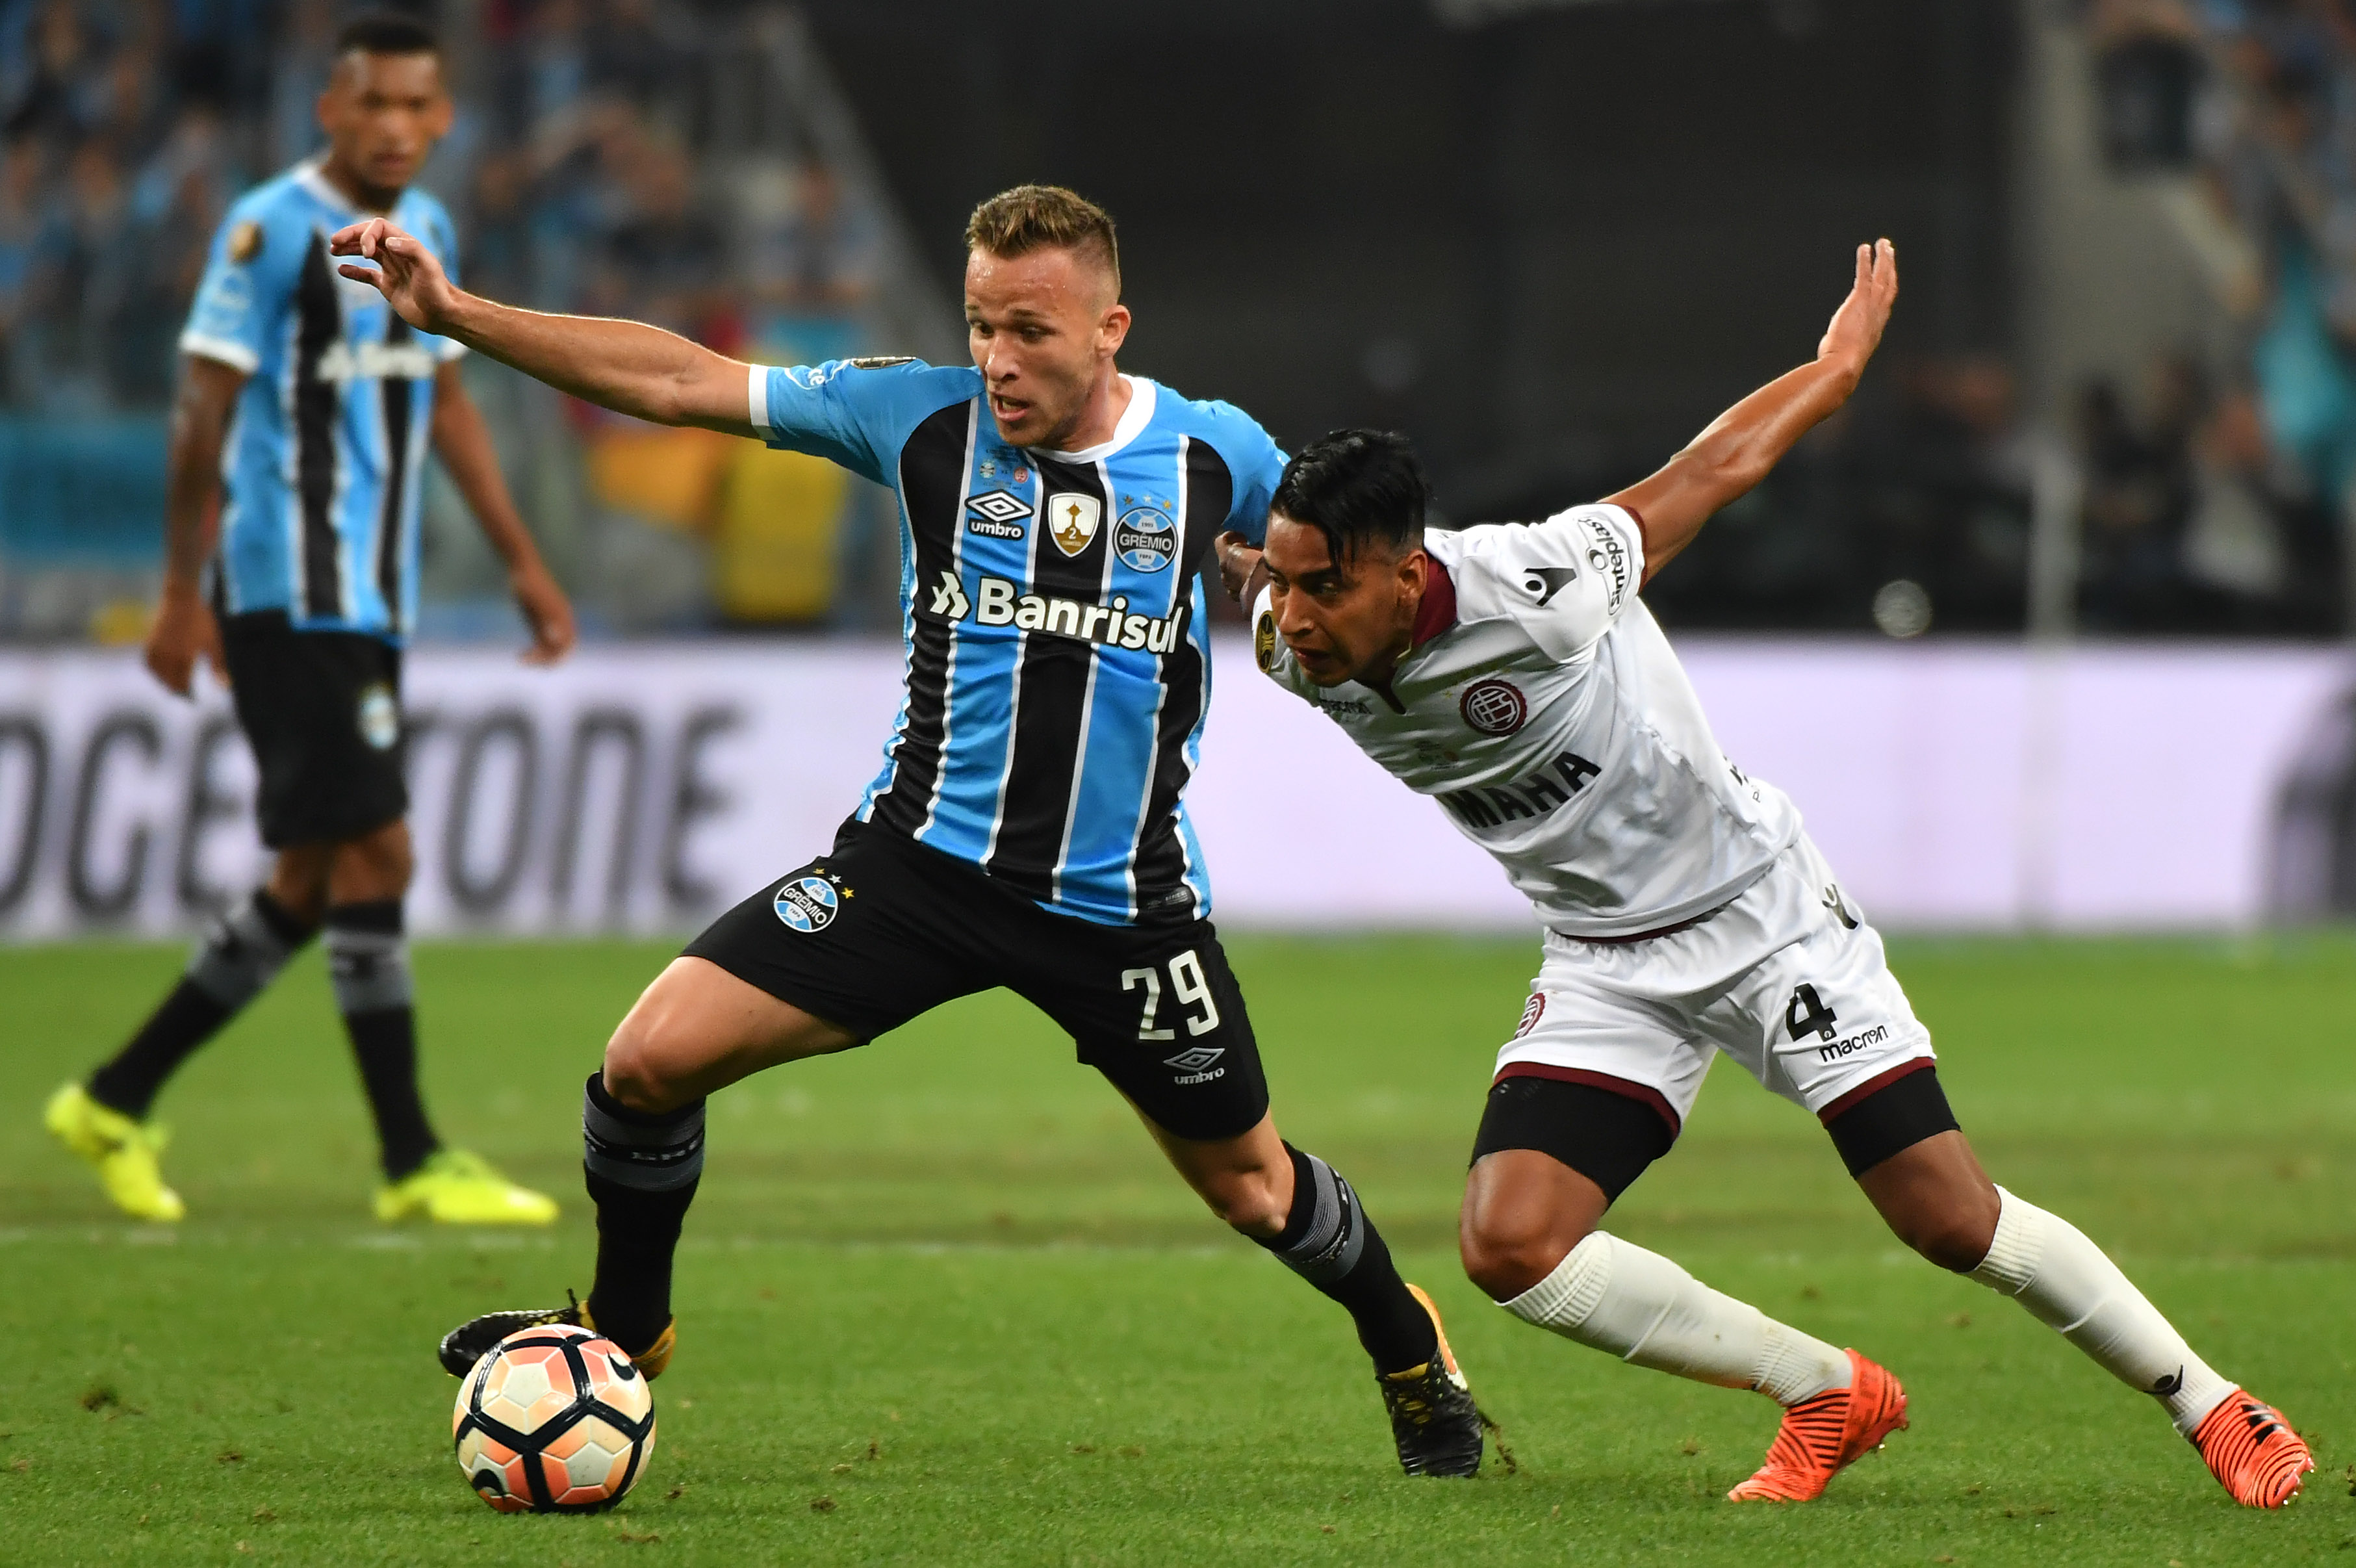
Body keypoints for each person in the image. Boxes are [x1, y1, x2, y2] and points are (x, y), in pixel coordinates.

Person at [327, 182, 1489, 1477]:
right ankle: (626, 1330)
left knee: (1253, 1190)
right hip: (915, 870)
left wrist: (1347, 613)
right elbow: (677, 383)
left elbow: (1358, 561)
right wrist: (453, 313)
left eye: (1032, 331)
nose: (998, 358)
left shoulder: (1214, 454)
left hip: (1120, 904)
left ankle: (1406, 1342)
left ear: (1110, 327)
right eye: (983, 323)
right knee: (645, 1063)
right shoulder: (916, 417)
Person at [1218, 240, 2314, 1510]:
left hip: (1762, 918)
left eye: (1322, 587)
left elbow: (1708, 473)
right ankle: (1824, 1388)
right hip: (1605, 959)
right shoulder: (1290, 644)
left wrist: (1833, 369)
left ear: (1406, 569)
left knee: (1947, 1218)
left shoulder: (1534, 585)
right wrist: (1229, 559)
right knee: (1509, 1245)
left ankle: (2212, 1400)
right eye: (1282, 584)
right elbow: (1246, 576)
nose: (1292, 621)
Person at [44, 13, 576, 1228]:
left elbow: (448, 412)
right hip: (285, 587)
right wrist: (183, 594)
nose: (394, 126)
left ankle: (114, 1098)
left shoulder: (427, 233)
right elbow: (199, 416)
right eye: (371, 104)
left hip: (372, 597)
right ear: (329, 112)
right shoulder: (269, 229)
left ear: (443, 119)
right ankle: (411, 1157)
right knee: (379, 854)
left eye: (415, 107)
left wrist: (523, 564)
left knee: (308, 875)